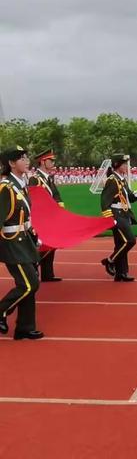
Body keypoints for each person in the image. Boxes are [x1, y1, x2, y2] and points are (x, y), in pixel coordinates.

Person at [0, 146, 43, 340]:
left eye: (26, 157)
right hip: (12, 243)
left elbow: (24, 216)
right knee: (29, 284)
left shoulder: (20, 184)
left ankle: (25, 327)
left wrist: (33, 234)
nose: (27, 161)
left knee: (30, 283)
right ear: (10, 163)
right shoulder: (6, 188)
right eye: (21, 158)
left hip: (24, 241)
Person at [100, 154, 137, 282]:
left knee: (120, 244)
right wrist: (110, 219)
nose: (126, 166)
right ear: (117, 165)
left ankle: (121, 273)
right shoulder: (112, 180)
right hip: (117, 215)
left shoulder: (121, 179)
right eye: (123, 164)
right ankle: (110, 261)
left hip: (124, 214)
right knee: (129, 241)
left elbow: (128, 197)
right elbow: (104, 201)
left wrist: (136, 195)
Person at [28, 149, 64, 282]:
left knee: (50, 244)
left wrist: (59, 207)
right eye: (51, 160)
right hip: (41, 218)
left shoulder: (48, 178)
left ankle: (48, 274)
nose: (53, 162)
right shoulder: (35, 178)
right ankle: (33, 271)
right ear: (43, 162)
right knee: (40, 245)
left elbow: (56, 195)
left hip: (50, 217)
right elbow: (32, 199)